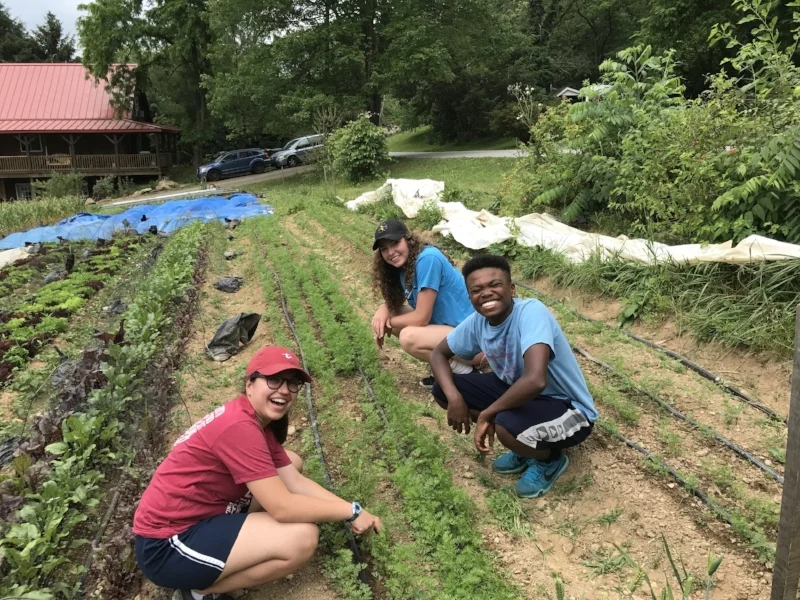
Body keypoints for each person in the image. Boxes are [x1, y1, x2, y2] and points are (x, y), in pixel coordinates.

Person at [133, 346, 382, 600]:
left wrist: (353, 509)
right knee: (302, 538)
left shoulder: (253, 420)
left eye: (293, 383)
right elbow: (283, 508)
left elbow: (294, 480)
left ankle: (216, 562)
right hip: (166, 546)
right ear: (249, 384)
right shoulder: (240, 427)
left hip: (200, 518)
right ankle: (200, 590)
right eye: (274, 379)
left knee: (291, 464)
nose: (284, 390)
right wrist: (350, 512)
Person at [429, 255, 597, 498]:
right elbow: (438, 354)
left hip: (568, 407)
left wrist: (488, 414)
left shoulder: (531, 312)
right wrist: (454, 398)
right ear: (470, 297)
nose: (486, 293)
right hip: (520, 393)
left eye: (494, 285)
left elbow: (535, 380)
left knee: (505, 424)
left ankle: (548, 458)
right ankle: (524, 442)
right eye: (477, 290)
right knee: (441, 389)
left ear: (512, 289)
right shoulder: (478, 322)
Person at [370, 218, 480, 387]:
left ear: (408, 239)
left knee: (408, 337)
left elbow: (421, 318)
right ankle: (445, 368)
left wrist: (386, 323)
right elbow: (396, 304)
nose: (390, 252)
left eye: (395, 243)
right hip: (451, 332)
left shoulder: (427, 259)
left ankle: (467, 373)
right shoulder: (403, 268)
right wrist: (383, 308)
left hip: (475, 342)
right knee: (396, 315)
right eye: (384, 249)